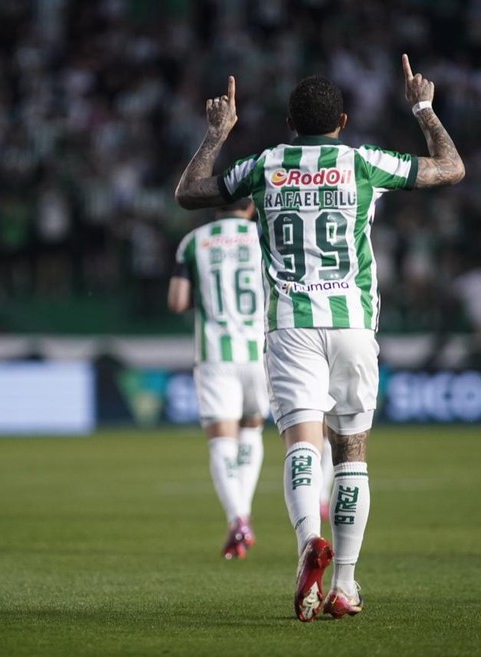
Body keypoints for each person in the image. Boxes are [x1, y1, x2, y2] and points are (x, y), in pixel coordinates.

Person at [174, 54, 465, 621]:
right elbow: (450, 167)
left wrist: (216, 134)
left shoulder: (266, 165)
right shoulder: (361, 162)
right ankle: (347, 585)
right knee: (351, 451)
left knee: (301, 444)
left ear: (288, 121)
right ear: (344, 121)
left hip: (291, 324)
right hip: (353, 322)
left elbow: (190, 192)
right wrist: (424, 108)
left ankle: (311, 539)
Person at [167, 198, 268, 560]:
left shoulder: (195, 241)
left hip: (215, 353)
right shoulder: (265, 235)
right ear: (251, 206)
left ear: (214, 207)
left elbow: (178, 301)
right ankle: (243, 510)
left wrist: (211, 296)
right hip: (261, 351)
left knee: (221, 441)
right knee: (251, 430)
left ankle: (238, 517)